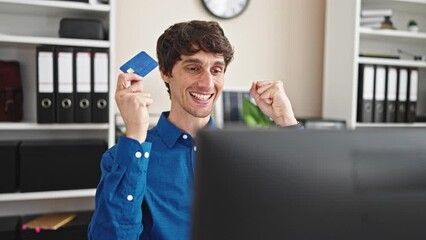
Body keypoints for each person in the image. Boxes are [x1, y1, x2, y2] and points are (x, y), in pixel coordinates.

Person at [88, 20, 301, 240]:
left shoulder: (244, 156)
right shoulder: (125, 157)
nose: (207, 83)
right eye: (193, 68)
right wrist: (134, 135)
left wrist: (286, 120)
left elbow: (302, 211)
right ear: (165, 72)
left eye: (216, 70)